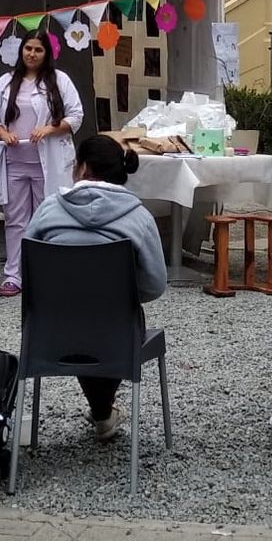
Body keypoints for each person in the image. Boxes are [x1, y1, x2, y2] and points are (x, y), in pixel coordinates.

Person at [25, 133, 166, 441]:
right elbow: (155, 285)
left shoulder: (49, 210)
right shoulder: (139, 217)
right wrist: (121, 294)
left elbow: (28, 273)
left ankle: (102, 411)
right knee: (107, 321)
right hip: (116, 332)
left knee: (78, 319)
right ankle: (103, 411)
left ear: (84, 168)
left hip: (50, 331)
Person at [0, 31, 84, 297]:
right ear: (21, 51)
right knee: (15, 220)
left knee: (46, 217)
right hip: (14, 162)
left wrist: (49, 129)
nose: (32, 54)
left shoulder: (60, 81)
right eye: (28, 48)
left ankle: (46, 272)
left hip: (47, 162)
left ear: (47, 53)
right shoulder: (5, 82)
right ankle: (14, 275)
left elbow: (76, 116)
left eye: (38, 50)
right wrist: (2, 133)